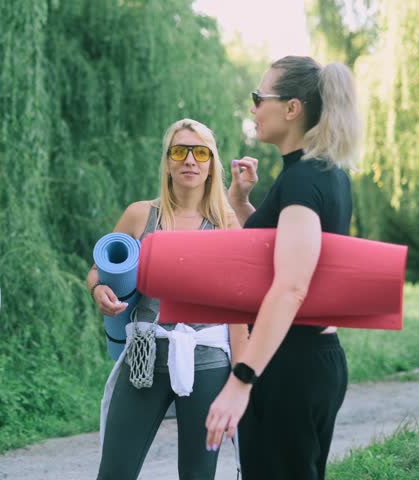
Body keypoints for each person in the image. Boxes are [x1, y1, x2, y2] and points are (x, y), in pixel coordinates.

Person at [205, 56, 362, 480]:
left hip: (290, 363)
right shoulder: (322, 173)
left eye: (259, 98)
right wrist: (241, 202)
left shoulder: (302, 180)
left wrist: (240, 382)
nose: (253, 108)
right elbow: (279, 256)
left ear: (291, 108)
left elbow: (291, 285)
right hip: (308, 359)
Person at [89, 118, 250, 480]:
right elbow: (97, 271)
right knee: (114, 472)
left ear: (211, 164)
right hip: (144, 358)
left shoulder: (227, 223)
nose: (189, 160)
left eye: (200, 152)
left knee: (197, 475)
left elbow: (238, 312)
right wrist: (99, 289)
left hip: (208, 362)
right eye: (179, 151)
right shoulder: (141, 214)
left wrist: (242, 382)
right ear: (167, 161)